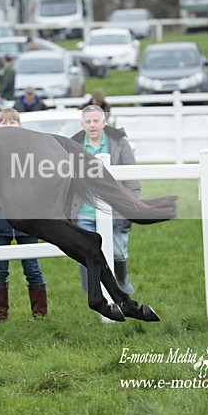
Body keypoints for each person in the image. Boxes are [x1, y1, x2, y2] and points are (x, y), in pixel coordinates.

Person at [0, 109, 47, 321]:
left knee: (32, 266)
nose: (8, 124)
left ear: (20, 125)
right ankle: (1, 316)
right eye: (3, 121)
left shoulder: (32, 151)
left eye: (13, 121)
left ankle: (40, 315)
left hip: (27, 216)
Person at [71, 105, 140, 294]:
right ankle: (89, 291)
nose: (92, 125)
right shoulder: (73, 145)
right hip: (83, 210)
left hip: (114, 209)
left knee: (118, 252)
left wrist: (130, 208)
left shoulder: (119, 143)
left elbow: (132, 180)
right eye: (88, 122)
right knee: (86, 252)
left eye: (96, 121)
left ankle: (122, 279)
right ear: (82, 124)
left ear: (104, 122)